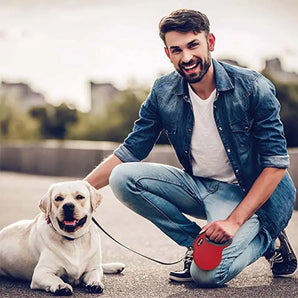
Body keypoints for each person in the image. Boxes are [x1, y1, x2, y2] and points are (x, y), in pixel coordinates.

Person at [85, 9, 297, 286]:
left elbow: (276, 163)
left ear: (210, 42)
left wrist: (234, 221)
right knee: (122, 178)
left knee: (207, 275)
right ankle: (195, 244)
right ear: (167, 54)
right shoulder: (163, 91)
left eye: (193, 45)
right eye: (176, 50)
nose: (186, 57)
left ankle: (269, 241)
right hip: (201, 187)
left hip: (254, 198)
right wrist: (76, 192)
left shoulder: (253, 87)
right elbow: (132, 150)